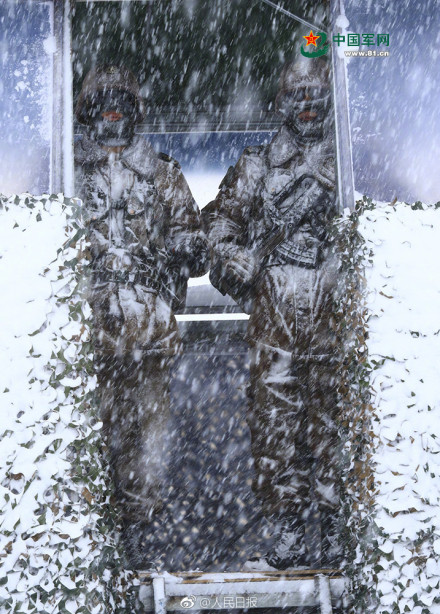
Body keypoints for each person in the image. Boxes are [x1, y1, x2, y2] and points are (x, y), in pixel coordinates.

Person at [203, 56, 341, 570]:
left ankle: (335, 526)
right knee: (275, 420)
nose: (306, 107)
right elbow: (217, 228)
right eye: (296, 97)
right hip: (275, 309)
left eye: (314, 97)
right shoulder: (257, 165)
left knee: (333, 417)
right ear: (282, 104)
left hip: (332, 304)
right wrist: (232, 257)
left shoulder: (347, 162)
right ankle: (289, 528)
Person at [74, 65, 209, 567]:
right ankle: (89, 539)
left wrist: (178, 249)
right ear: (87, 111)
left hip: (149, 333)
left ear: (135, 111)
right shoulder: (67, 173)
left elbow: (196, 246)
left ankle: (138, 531)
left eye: (121, 102)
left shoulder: (163, 173)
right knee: (89, 437)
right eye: (103, 102)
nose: (112, 111)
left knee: (146, 440)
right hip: (85, 335)